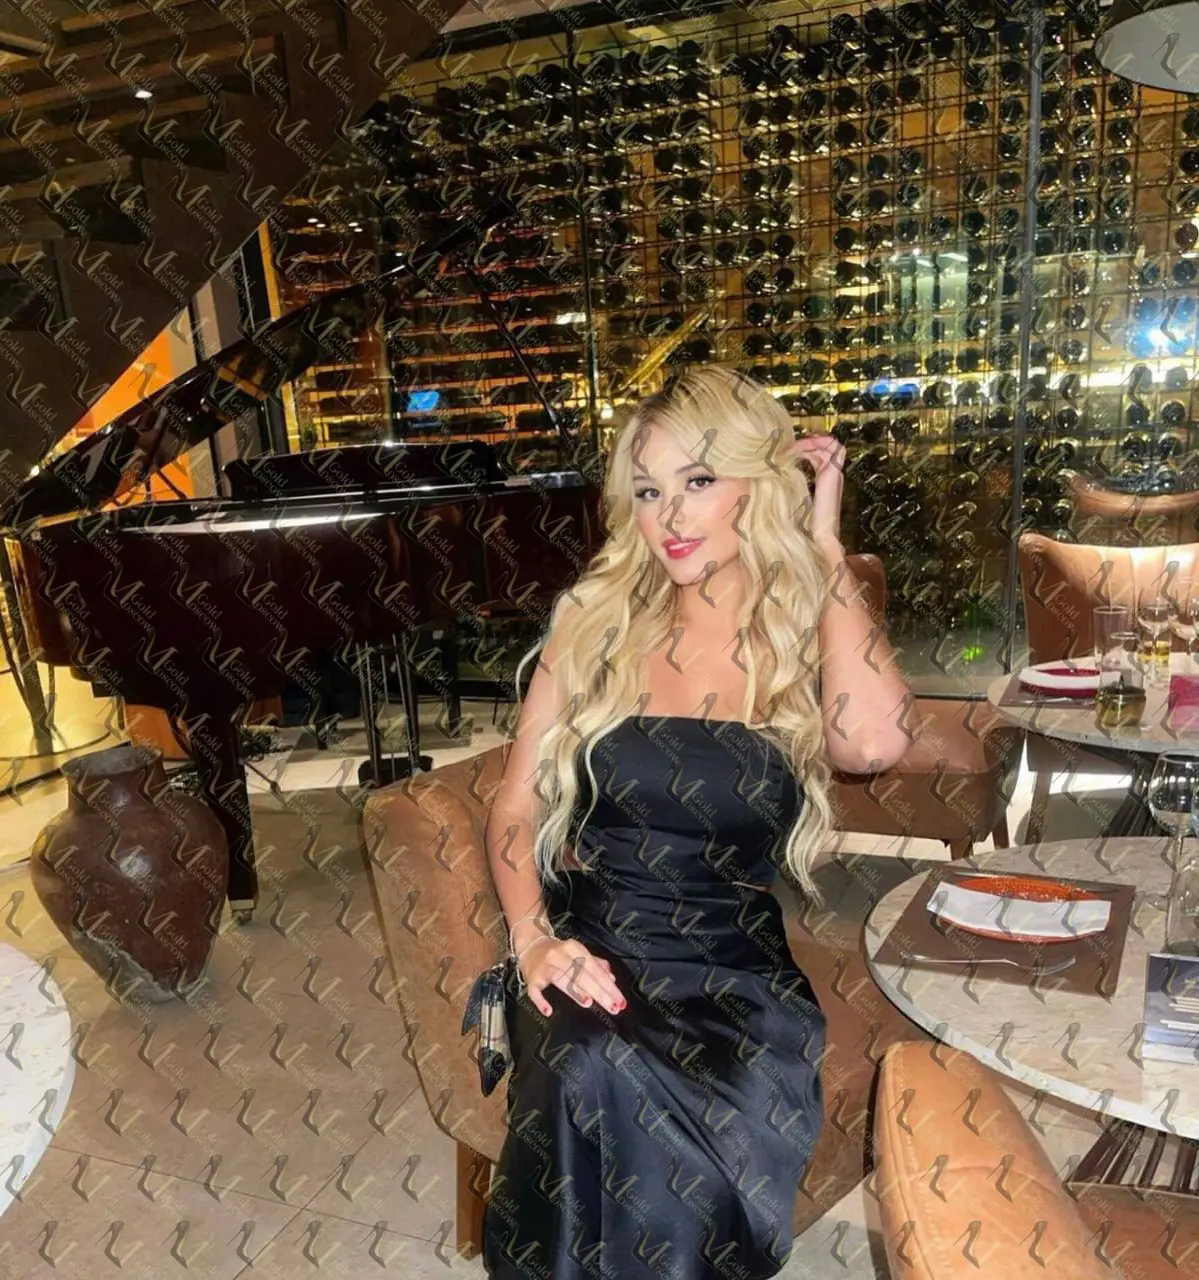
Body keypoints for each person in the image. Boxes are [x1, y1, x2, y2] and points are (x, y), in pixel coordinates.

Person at [482, 366, 913, 1279]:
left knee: (676, 1114)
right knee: (590, 1064)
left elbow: (874, 743)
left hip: (729, 965)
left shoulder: (800, 632)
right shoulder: (592, 623)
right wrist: (531, 940)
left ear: (757, 486)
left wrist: (825, 546)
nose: (670, 516)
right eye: (647, 491)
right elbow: (515, 803)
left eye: (699, 480)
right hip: (592, 938)